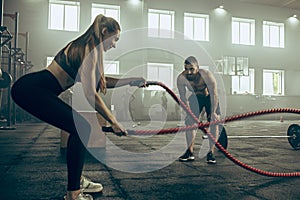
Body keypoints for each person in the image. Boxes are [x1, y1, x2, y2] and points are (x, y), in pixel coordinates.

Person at [11, 14, 146, 200]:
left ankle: (77, 181)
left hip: (34, 89)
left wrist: (130, 81)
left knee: (80, 127)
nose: (115, 44)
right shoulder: (88, 50)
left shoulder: (89, 48)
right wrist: (113, 121)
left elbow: (99, 82)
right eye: (115, 39)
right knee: (81, 127)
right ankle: (73, 193)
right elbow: (91, 94)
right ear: (105, 32)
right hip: (32, 90)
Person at [177, 56, 220, 164]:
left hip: (209, 97)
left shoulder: (206, 75)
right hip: (196, 98)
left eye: (192, 69)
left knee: (213, 122)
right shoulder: (181, 78)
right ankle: (189, 152)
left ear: (198, 67)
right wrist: (188, 112)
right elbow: (183, 97)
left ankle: (211, 153)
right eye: (186, 69)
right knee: (189, 123)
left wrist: (213, 112)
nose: (189, 72)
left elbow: (214, 94)